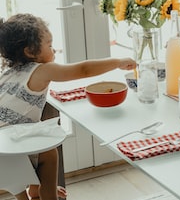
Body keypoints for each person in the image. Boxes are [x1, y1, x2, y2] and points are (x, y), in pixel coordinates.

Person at [0, 13, 136, 200]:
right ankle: (47, 195)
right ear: (30, 52)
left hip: (4, 150)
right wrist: (118, 62)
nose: (54, 50)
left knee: (36, 134)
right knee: (48, 151)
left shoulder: (8, 73)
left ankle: (31, 191)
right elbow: (83, 69)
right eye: (49, 45)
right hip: (11, 153)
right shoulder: (42, 70)